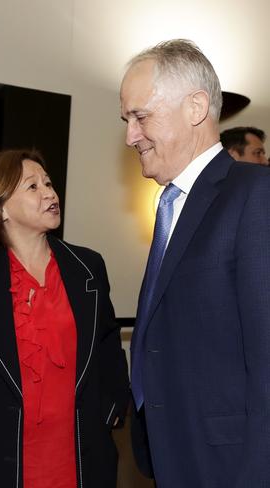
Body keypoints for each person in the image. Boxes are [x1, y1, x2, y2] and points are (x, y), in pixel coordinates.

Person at [0, 149, 130, 487]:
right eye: (32, 187)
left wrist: (112, 408)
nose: (50, 193)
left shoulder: (87, 267)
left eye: (48, 183)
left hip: (79, 452)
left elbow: (107, 343)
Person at [121, 39, 270, 487]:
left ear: (196, 107)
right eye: (126, 120)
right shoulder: (173, 203)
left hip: (231, 465)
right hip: (175, 451)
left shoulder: (254, 194)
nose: (130, 136)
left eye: (140, 116)